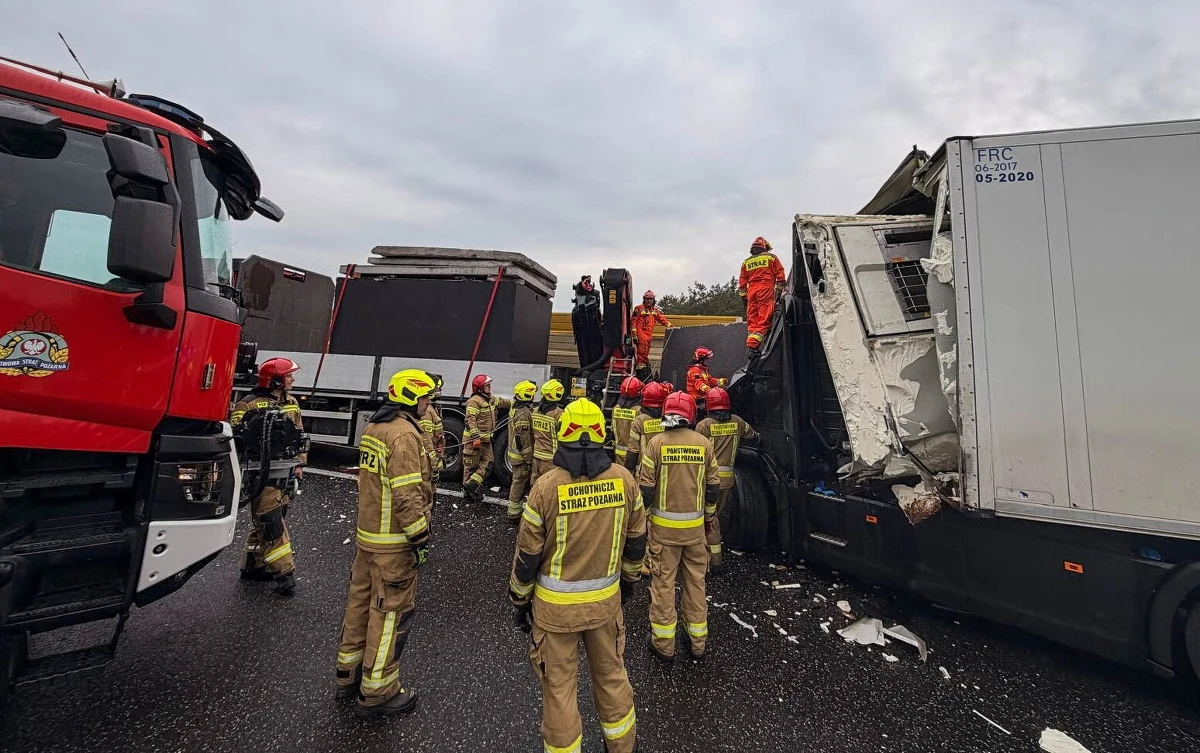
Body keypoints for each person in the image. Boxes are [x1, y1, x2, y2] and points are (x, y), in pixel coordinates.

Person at [509, 398, 646, 753]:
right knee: (613, 679)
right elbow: (636, 544)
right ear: (603, 433)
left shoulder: (544, 488)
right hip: (604, 608)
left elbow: (527, 556)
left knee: (559, 690)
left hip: (555, 613)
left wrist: (520, 601)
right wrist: (628, 585)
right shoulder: (624, 481)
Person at [335, 369, 434, 716]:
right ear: (410, 398)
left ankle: (347, 675)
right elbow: (407, 496)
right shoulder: (404, 436)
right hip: (393, 544)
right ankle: (378, 691)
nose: (428, 404)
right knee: (390, 614)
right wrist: (420, 537)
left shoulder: (374, 428)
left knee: (359, 606)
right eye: (425, 398)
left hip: (368, 539)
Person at [637, 391, 719, 662]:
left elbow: (646, 490)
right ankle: (697, 642)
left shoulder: (656, 444)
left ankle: (663, 645)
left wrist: (644, 520)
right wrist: (708, 519)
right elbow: (713, 488)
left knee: (663, 584)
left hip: (663, 533)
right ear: (691, 416)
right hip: (695, 533)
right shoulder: (704, 444)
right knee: (696, 583)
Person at [231, 357, 306, 596]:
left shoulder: (291, 402)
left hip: (285, 471)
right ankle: (285, 575)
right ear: (275, 380)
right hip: (261, 474)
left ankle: (254, 565)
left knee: (271, 517)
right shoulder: (247, 405)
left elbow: (300, 436)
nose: (293, 379)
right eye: (289, 376)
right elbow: (237, 443)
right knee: (271, 522)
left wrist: (300, 465)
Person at [694, 387, 758, 568]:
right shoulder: (737, 422)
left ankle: (711, 560)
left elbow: (696, 450)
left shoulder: (704, 425)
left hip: (708, 480)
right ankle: (712, 556)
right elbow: (752, 435)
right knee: (715, 515)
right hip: (727, 480)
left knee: (708, 518)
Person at [463, 374, 511, 502]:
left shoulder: (490, 399)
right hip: (474, 441)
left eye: (489, 385)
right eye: (486, 386)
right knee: (471, 466)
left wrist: (516, 402)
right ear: (479, 388)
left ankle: (471, 486)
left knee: (488, 463)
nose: (489, 388)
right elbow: (469, 420)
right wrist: (475, 437)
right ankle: (468, 493)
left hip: (485, 440)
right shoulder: (474, 401)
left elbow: (502, 402)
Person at [738, 236, 787, 358]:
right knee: (764, 320)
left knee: (753, 323)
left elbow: (742, 285)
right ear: (764, 247)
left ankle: (751, 349)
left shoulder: (746, 262)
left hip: (751, 293)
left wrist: (745, 300)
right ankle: (753, 346)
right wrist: (778, 294)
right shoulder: (771, 258)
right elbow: (781, 277)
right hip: (765, 290)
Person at [505, 379, 538, 523]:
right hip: (520, 457)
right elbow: (522, 439)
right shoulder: (523, 413)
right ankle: (513, 513)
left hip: (516, 455)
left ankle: (515, 509)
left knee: (518, 481)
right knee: (518, 482)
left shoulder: (517, 407)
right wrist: (529, 457)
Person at [623, 381, 668, 472]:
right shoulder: (669, 420)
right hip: (664, 472)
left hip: (643, 473)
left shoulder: (639, 421)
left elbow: (632, 456)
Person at [418, 373, 445, 525]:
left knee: (430, 495)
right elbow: (427, 440)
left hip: (431, 461)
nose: (440, 392)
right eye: (438, 389)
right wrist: (435, 464)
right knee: (426, 497)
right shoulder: (428, 412)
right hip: (427, 463)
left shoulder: (432, 409)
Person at [529, 378, 566, 488]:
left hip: (536, 456)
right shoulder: (559, 414)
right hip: (551, 459)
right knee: (549, 487)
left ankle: (532, 504)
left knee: (535, 486)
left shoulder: (535, 411)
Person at [630, 290, 671, 381]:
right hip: (641, 335)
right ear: (644, 299)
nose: (649, 301)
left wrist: (670, 326)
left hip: (649, 336)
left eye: (651, 299)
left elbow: (662, 319)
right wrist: (635, 335)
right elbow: (633, 322)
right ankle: (641, 375)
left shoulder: (655, 310)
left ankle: (645, 372)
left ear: (653, 300)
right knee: (641, 355)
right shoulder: (639, 309)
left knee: (646, 355)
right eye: (647, 299)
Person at [611, 376, 643, 467]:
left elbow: (613, 433)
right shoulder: (639, 411)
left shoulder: (615, 409)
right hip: (635, 456)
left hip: (618, 454)